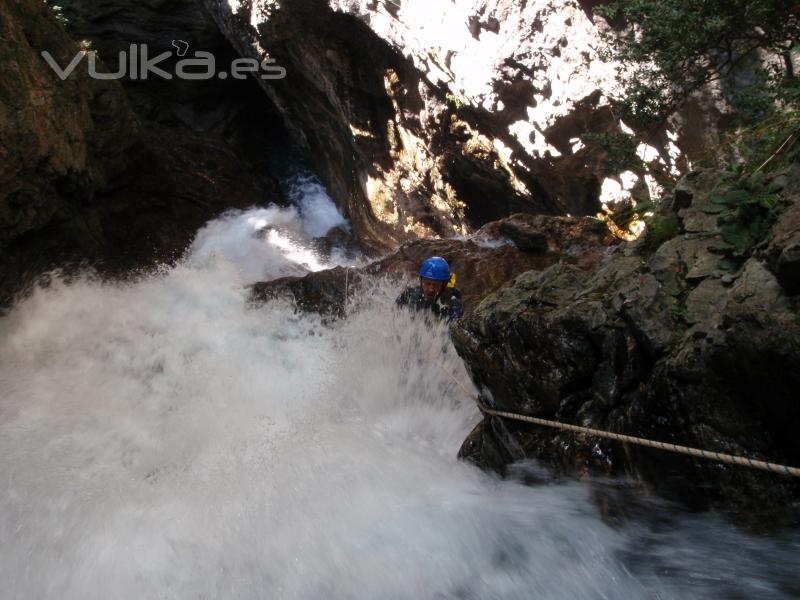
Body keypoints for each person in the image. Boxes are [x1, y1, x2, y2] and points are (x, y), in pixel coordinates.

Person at [395, 256, 464, 322]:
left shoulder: (453, 305)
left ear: (444, 285)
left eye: (436, 285)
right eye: (427, 283)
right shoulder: (407, 296)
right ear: (421, 281)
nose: (431, 289)